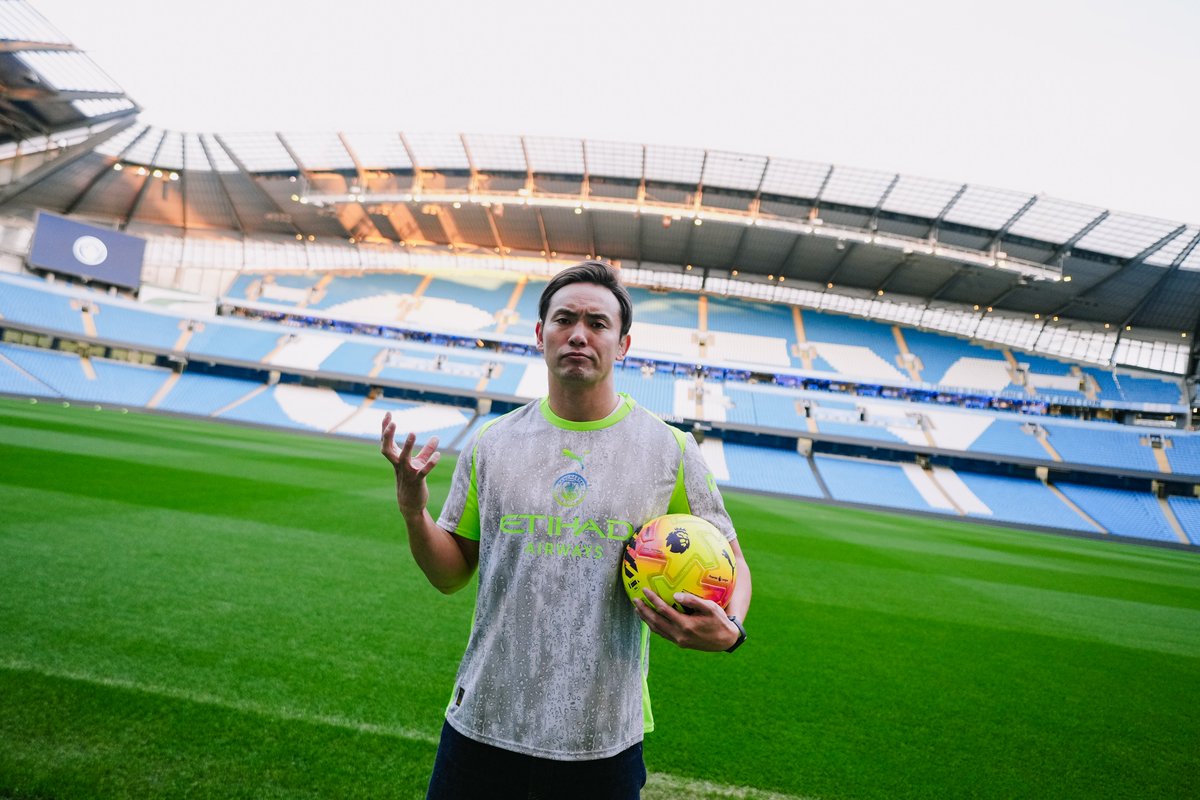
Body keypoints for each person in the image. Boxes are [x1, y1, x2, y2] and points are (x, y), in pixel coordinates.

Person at [381, 260, 752, 799]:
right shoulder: (493, 442)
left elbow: (733, 561)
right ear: (540, 334)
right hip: (483, 722)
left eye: (598, 323)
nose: (579, 334)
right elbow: (449, 574)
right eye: (564, 319)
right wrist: (414, 513)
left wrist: (732, 629)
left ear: (623, 345)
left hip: (601, 738)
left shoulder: (670, 450)